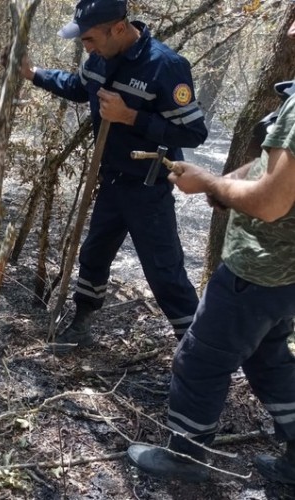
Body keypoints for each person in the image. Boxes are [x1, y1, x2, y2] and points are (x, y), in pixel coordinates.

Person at [127, 18, 295, 485]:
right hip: (285, 274)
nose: (288, 32)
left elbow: (271, 201)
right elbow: (273, 171)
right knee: (268, 358)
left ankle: (186, 458)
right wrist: (217, 187)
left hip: (258, 267)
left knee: (198, 360)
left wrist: (212, 184)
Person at [20, 0, 207, 354]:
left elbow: (194, 133)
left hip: (148, 187)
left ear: (117, 28)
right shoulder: (100, 57)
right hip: (111, 182)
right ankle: (82, 321)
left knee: (164, 272)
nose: (85, 47)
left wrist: (131, 117)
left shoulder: (166, 67)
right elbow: (79, 86)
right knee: (94, 254)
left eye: (89, 38)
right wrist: (35, 75)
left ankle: (197, 352)